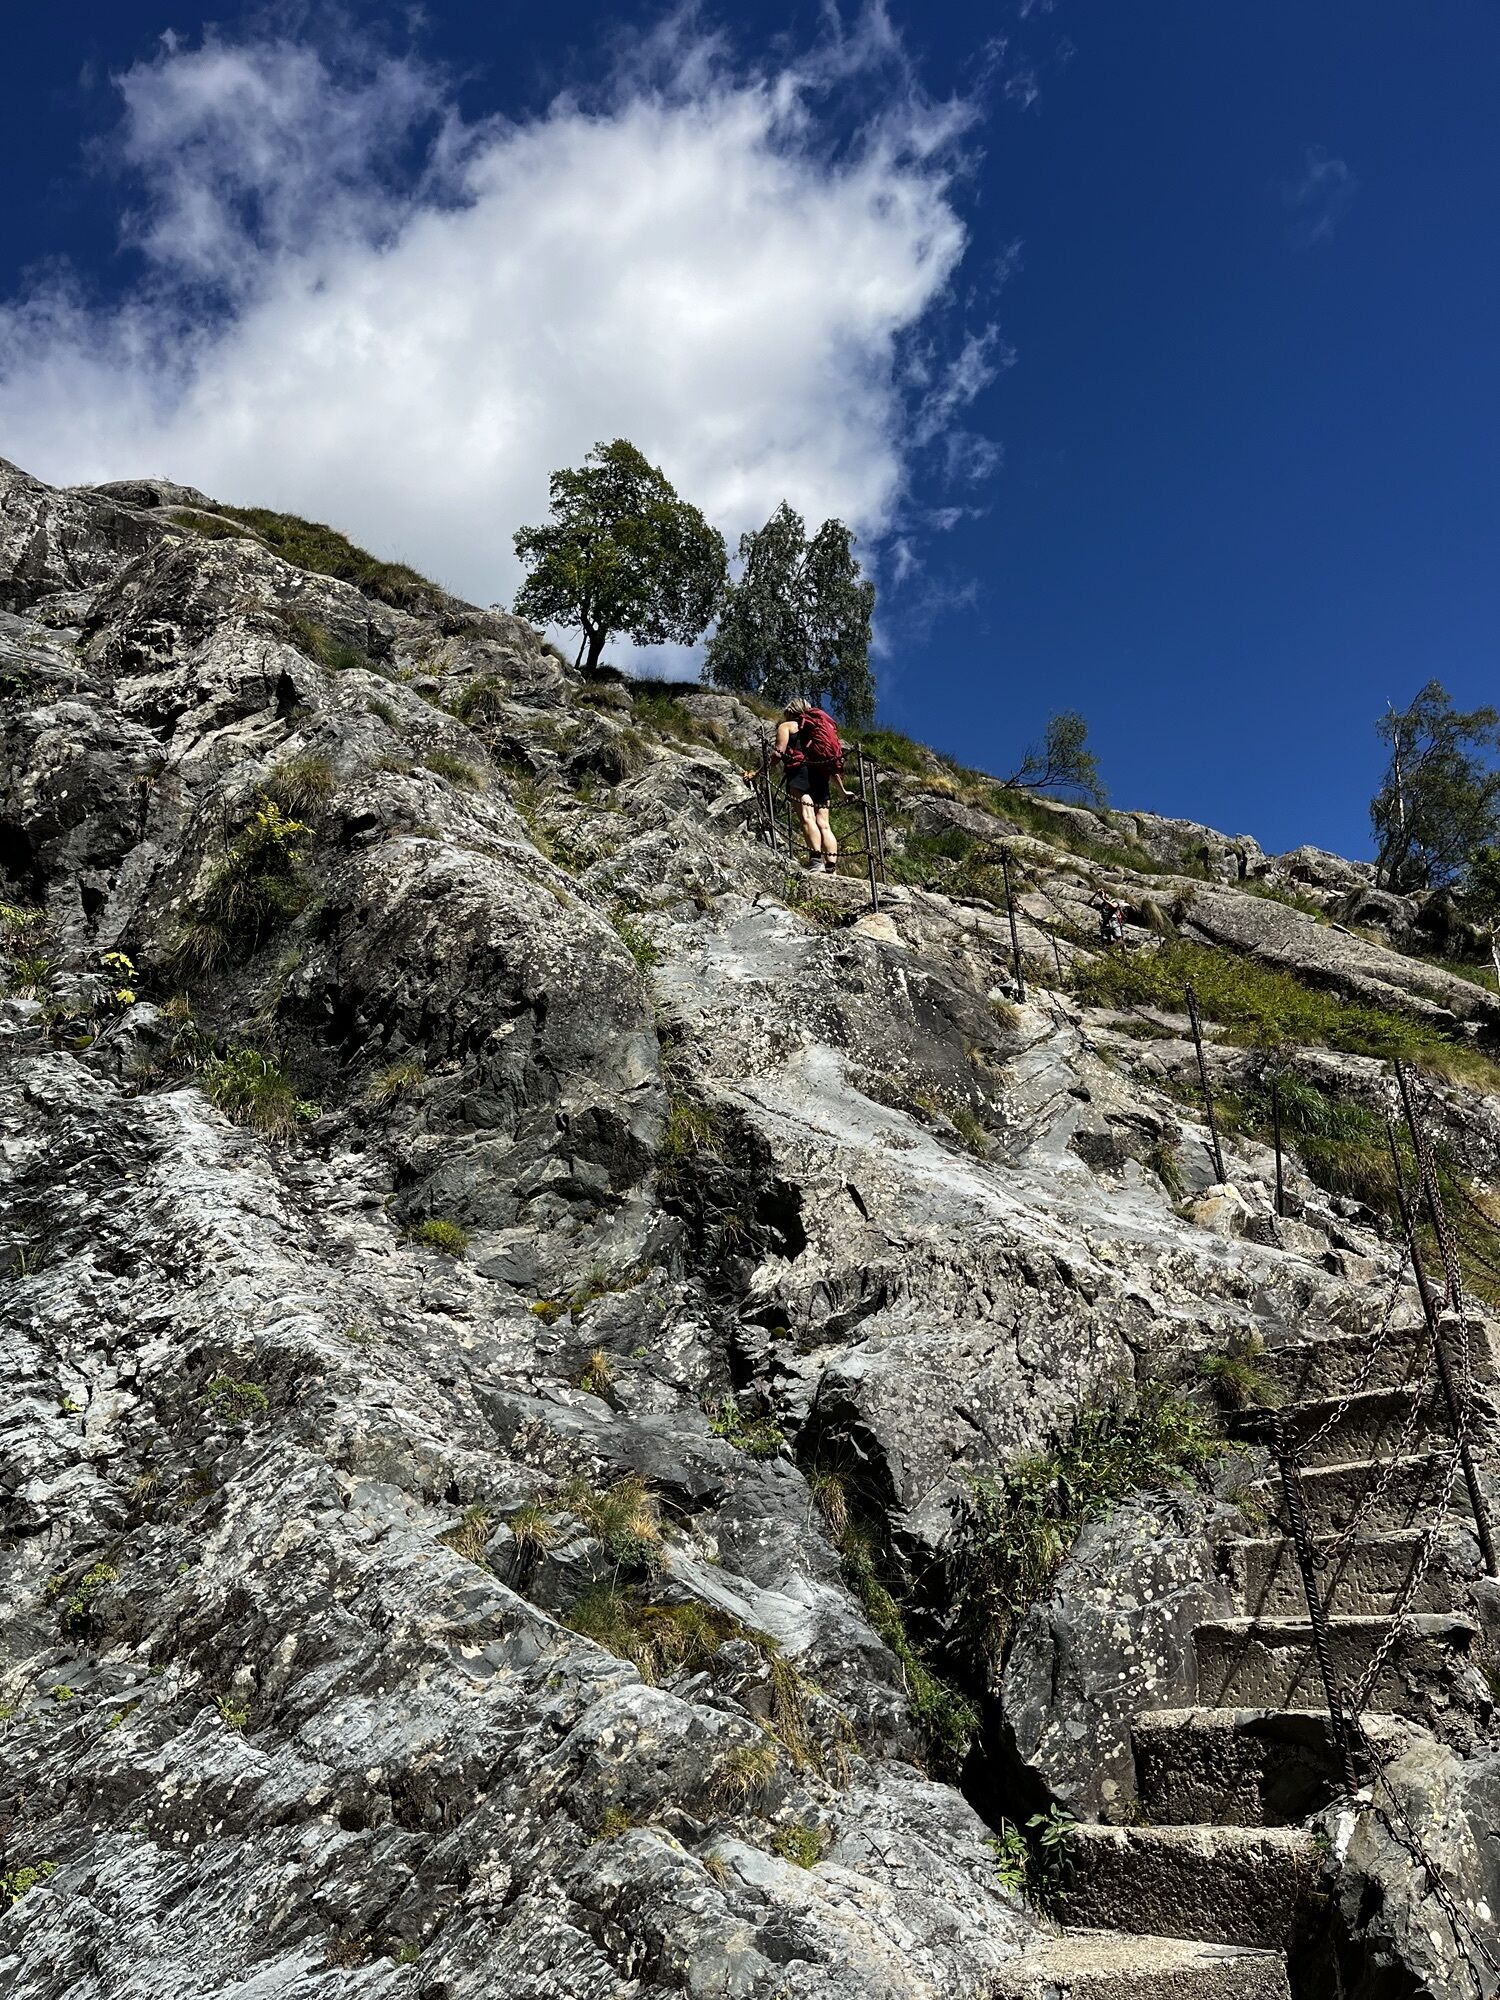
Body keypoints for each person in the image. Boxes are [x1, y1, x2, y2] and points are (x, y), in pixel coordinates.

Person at [744, 700, 843, 873]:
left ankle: (816, 862)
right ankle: (831, 867)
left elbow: (777, 754)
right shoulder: (818, 728)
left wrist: (757, 773)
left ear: (790, 712)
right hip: (821, 775)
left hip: (800, 773)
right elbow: (830, 764)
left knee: (807, 817)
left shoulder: (787, 726)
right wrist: (842, 790)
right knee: (824, 824)